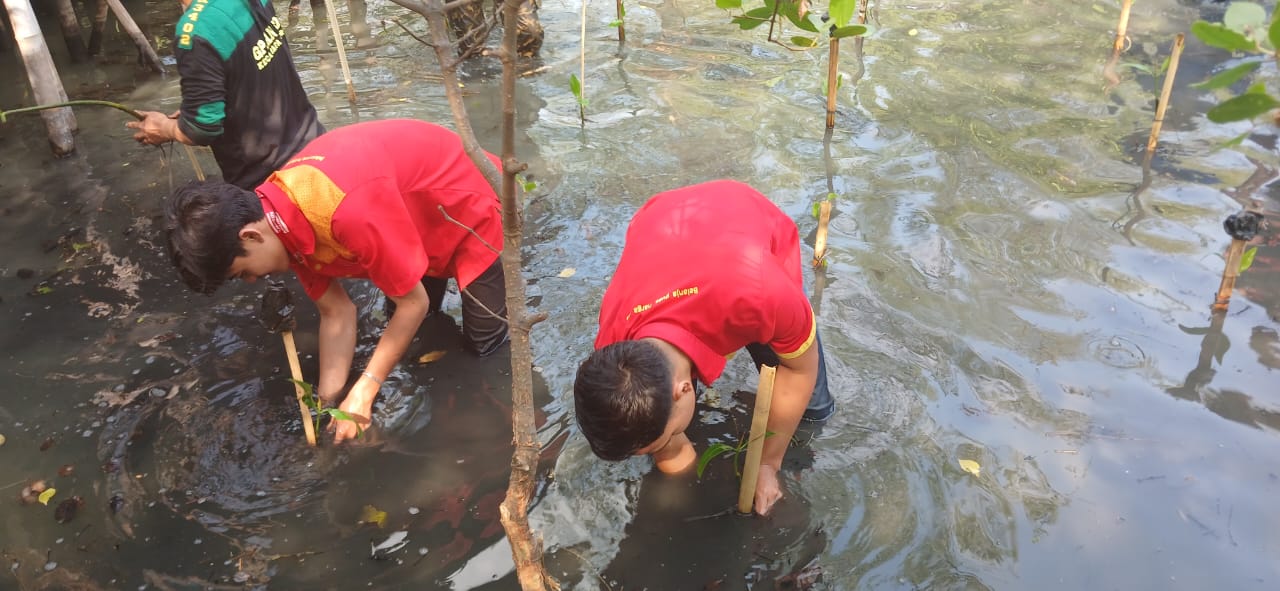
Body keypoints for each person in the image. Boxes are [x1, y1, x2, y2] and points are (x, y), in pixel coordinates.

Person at [164, 119, 508, 443]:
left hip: (468, 204)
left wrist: (364, 391)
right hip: (411, 222)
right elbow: (336, 313)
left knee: (484, 348)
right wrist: (326, 406)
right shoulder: (281, 221)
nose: (253, 280)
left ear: (251, 237)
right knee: (411, 329)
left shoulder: (342, 211)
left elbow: (412, 303)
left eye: (243, 272)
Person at [573, 180, 835, 516]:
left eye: (657, 445)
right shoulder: (613, 348)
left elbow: (798, 370)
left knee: (812, 413)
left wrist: (768, 464)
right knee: (663, 419)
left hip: (740, 228)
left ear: (684, 388)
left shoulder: (762, 296)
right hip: (661, 221)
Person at [127, 0, 324, 189]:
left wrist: (165, 128)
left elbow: (201, 129)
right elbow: (253, 71)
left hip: (272, 181)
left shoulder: (195, 31)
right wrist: (201, 105)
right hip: (316, 149)